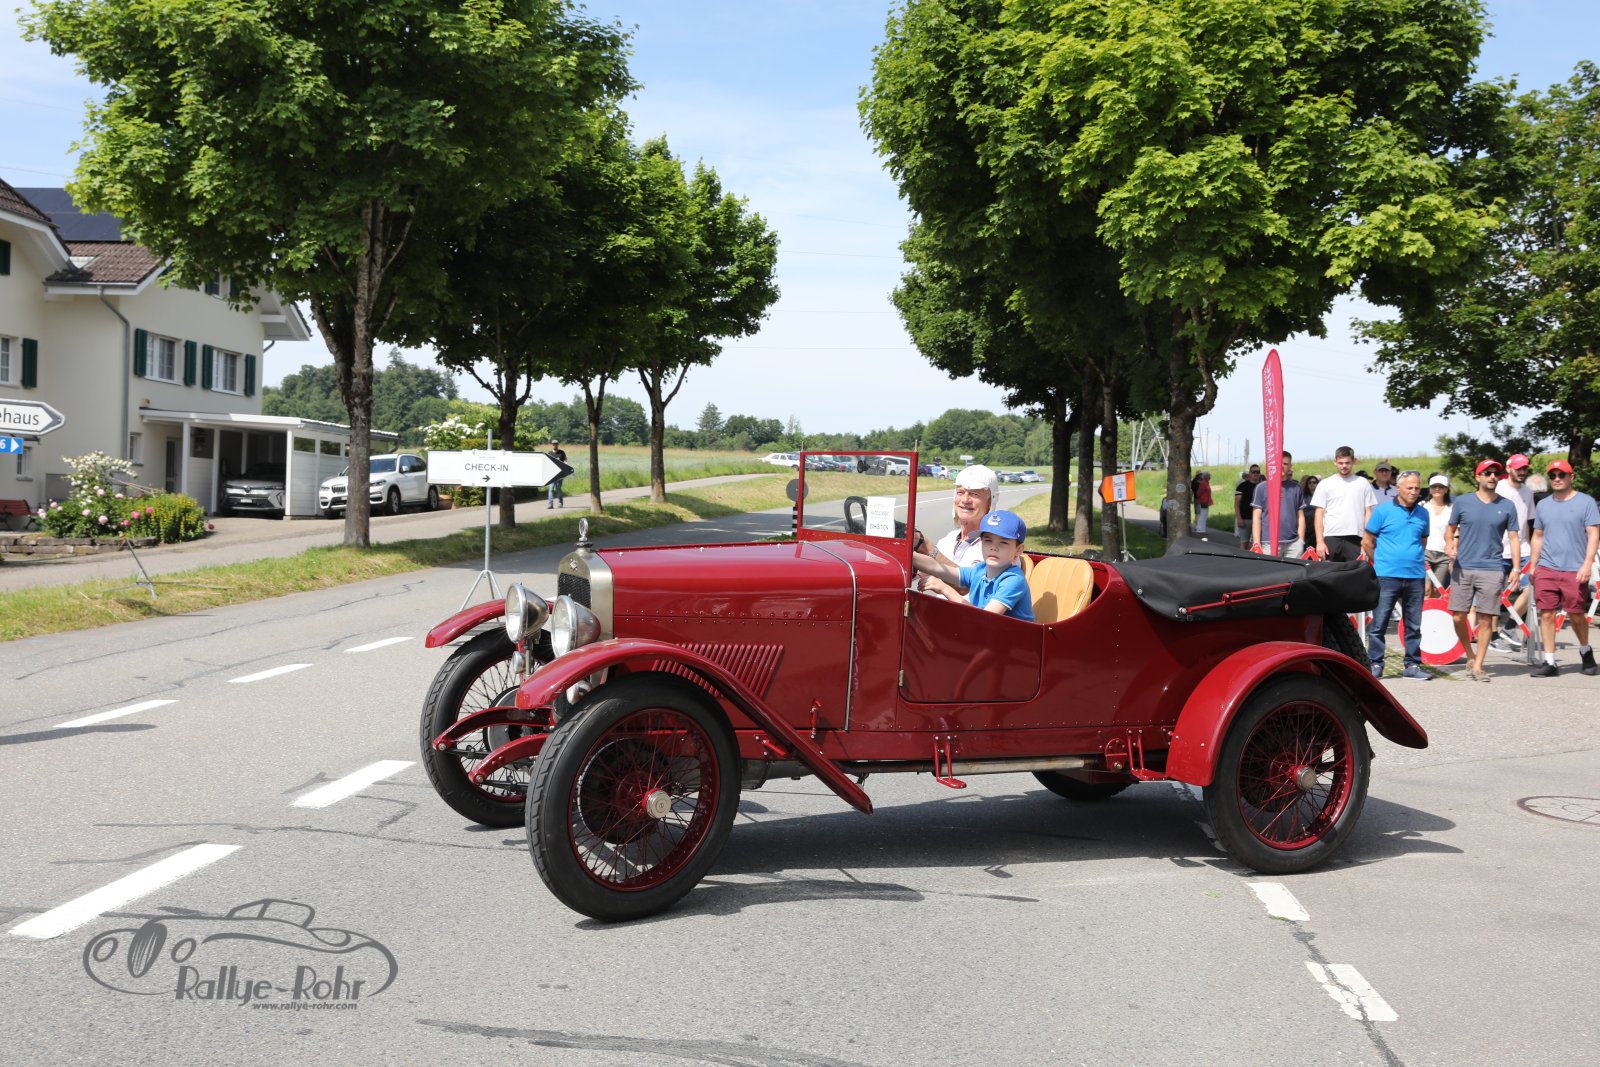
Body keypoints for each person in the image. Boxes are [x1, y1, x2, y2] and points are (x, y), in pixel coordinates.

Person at [1446, 460, 1521, 682]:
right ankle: (1470, 654)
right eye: (1487, 473)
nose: (1492, 476)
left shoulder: (1507, 505)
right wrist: (1449, 544)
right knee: (1458, 616)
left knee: (1487, 618)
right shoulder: (1463, 502)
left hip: (1492, 568)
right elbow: (1450, 530)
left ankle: (1479, 665)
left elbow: (1514, 538)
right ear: (1477, 476)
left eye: (1496, 473)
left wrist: (1516, 568)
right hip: (1463, 567)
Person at [1525, 459, 1600, 677]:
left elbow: (1593, 534)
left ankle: (1585, 650)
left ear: (1571, 476)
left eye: (1561, 475)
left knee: (1576, 614)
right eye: (1553, 476)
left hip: (1574, 569)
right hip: (1547, 567)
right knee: (1547, 614)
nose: (1557, 479)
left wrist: (1587, 564)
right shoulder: (1543, 505)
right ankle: (1550, 661)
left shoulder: (1586, 502)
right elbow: (1538, 536)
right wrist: (1533, 565)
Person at [1362, 470, 1431, 680]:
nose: (1414, 491)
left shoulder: (1423, 513)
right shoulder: (1382, 511)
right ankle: (1375, 663)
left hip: (1415, 576)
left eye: (1417, 488)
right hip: (1387, 576)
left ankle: (1412, 665)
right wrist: (1382, 562)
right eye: (1409, 487)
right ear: (1398, 488)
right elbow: (1367, 541)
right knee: (1379, 623)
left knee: (1414, 625)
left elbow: (1423, 541)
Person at [911, 509, 1035, 621]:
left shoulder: (1013, 579)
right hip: (988, 635)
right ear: (981, 543)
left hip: (1012, 638)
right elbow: (936, 567)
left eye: (1003, 542)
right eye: (988, 540)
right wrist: (911, 555)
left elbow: (984, 618)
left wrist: (945, 589)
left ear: (1018, 550)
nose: (993, 547)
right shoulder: (980, 570)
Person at [1491, 453, 1536, 648]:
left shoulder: (1528, 492)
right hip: (1499, 549)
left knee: (1532, 588)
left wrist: (1531, 546)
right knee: (1494, 593)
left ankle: (1509, 626)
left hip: (1523, 548)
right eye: (1518, 468)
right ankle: (1493, 636)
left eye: (1525, 468)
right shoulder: (1498, 487)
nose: (1522, 471)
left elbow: (1528, 522)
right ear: (1509, 468)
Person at [922, 464, 999, 571]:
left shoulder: (997, 548)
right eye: (960, 492)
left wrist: (928, 549)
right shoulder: (948, 540)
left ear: (991, 501)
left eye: (974, 494)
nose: (965, 500)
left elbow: (975, 581)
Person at [1311, 446, 1376, 562]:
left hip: (1356, 537)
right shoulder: (1325, 484)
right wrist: (1319, 542)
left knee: (1355, 573)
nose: (1344, 466)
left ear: (1353, 461)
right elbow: (1319, 514)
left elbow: (1368, 512)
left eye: (1347, 463)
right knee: (1330, 573)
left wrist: (1367, 540)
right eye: (1340, 463)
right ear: (1335, 462)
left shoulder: (1363, 483)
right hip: (1331, 536)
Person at [1250, 451, 1304, 556]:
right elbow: (1256, 517)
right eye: (1279, 463)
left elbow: (1300, 516)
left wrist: (1300, 540)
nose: (1282, 466)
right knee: (1271, 567)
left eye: (1285, 464)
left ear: (1290, 466)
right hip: (1269, 543)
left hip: (1293, 543)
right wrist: (1256, 542)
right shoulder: (1261, 487)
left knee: (1293, 568)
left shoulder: (1296, 488)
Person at [1423, 473, 1453, 590]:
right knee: (1426, 589)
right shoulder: (1422, 506)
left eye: (1440, 486)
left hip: (1444, 554)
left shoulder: (1452, 508)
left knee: (1437, 589)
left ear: (1446, 489)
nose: (1437, 489)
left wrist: (1453, 548)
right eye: (1434, 486)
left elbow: (1455, 531)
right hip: (1426, 552)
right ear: (1430, 489)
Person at [1234, 464, 1262, 543]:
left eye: (1258, 472)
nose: (1256, 474)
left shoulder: (1262, 486)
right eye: (1253, 472)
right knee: (1244, 542)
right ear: (1250, 473)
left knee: (1257, 543)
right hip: (1245, 519)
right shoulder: (1242, 486)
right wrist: (1239, 518)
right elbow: (1237, 504)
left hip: (1259, 520)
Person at [547, 440, 568, 508]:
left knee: (558, 489)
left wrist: (566, 466)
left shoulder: (562, 453)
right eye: (553, 444)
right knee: (551, 489)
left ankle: (560, 503)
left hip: (559, 475)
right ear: (552, 445)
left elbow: (565, 461)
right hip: (551, 475)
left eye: (556, 444)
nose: (554, 445)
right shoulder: (549, 453)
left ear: (557, 445)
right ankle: (550, 504)